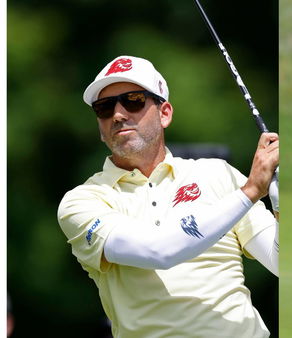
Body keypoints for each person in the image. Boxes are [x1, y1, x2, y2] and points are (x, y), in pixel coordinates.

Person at [58, 55, 279, 338]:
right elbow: (158, 252)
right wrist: (249, 192)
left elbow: (279, 262)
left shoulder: (218, 174)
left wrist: (277, 197)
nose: (118, 114)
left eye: (134, 100)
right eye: (104, 107)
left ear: (165, 113)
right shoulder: (83, 201)